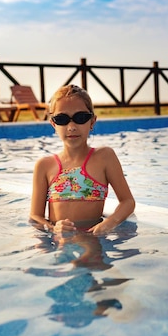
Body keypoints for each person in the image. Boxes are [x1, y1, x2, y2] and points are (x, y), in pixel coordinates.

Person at [30, 84, 135, 237]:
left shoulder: (104, 157)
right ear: (53, 123)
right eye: (62, 119)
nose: (71, 127)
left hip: (92, 237)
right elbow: (35, 216)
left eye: (80, 118)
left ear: (92, 121)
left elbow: (127, 202)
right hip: (59, 239)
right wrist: (53, 229)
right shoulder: (44, 165)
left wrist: (109, 223)